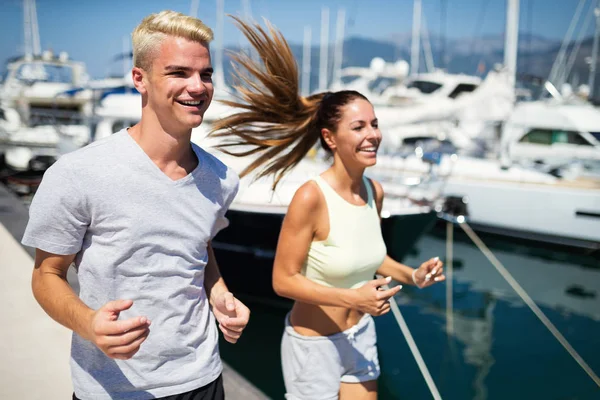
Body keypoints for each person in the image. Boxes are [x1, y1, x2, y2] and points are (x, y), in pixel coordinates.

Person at [211, 17, 445, 399]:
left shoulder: (375, 192)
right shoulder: (311, 197)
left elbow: (371, 256)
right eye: (359, 127)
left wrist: (412, 275)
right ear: (329, 138)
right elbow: (282, 281)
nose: (373, 135)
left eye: (375, 124)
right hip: (313, 347)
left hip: (359, 336)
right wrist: (355, 298)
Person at [22, 10, 249, 400]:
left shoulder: (221, 178)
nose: (197, 87)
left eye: (206, 74)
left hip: (203, 379)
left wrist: (219, 291)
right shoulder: (79, 173)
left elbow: (198, 244)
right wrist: (90, 324)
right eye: (179, 73)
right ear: (139, 79)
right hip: (113, 389)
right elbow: (46, 275)